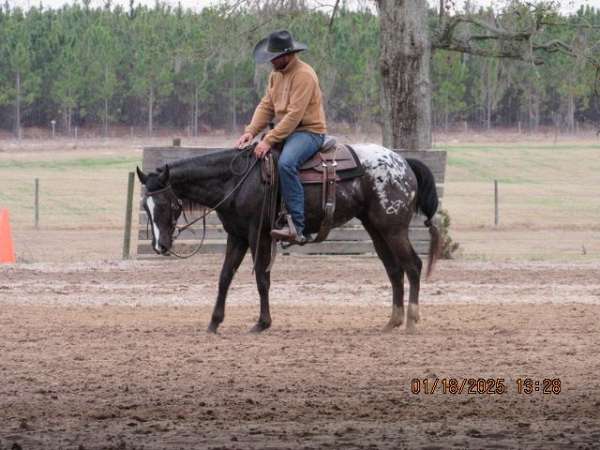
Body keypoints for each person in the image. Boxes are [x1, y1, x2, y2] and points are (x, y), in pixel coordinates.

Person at [235, 30, 327, 244]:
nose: (271, 61)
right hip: (287, 132)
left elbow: (294, 116)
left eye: (274, 57)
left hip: (309, 132)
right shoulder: (275, 75)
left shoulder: (304, 75)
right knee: (258, 161)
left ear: (287, 55)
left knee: (286, 163)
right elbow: (266, 105)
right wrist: (251, 131)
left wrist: (268, 140)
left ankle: (297, 226)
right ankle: (270, 215)